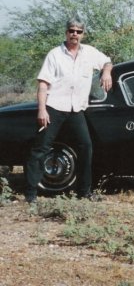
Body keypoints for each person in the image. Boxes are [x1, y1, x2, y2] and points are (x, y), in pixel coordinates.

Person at [24, 18, 113, 203]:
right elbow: (43, 84)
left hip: (76, 109)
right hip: (54, 107)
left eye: (78, 31)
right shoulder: (55, 54)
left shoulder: (89, 52)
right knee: (40, 149)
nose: (75, 34)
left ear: (83, 34)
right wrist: (42, 110)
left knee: (86, 147)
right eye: (71, 30)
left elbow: (107, 61)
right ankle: (31, 194)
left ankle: (84, 192)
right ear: (66, 32)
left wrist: (106, 72)